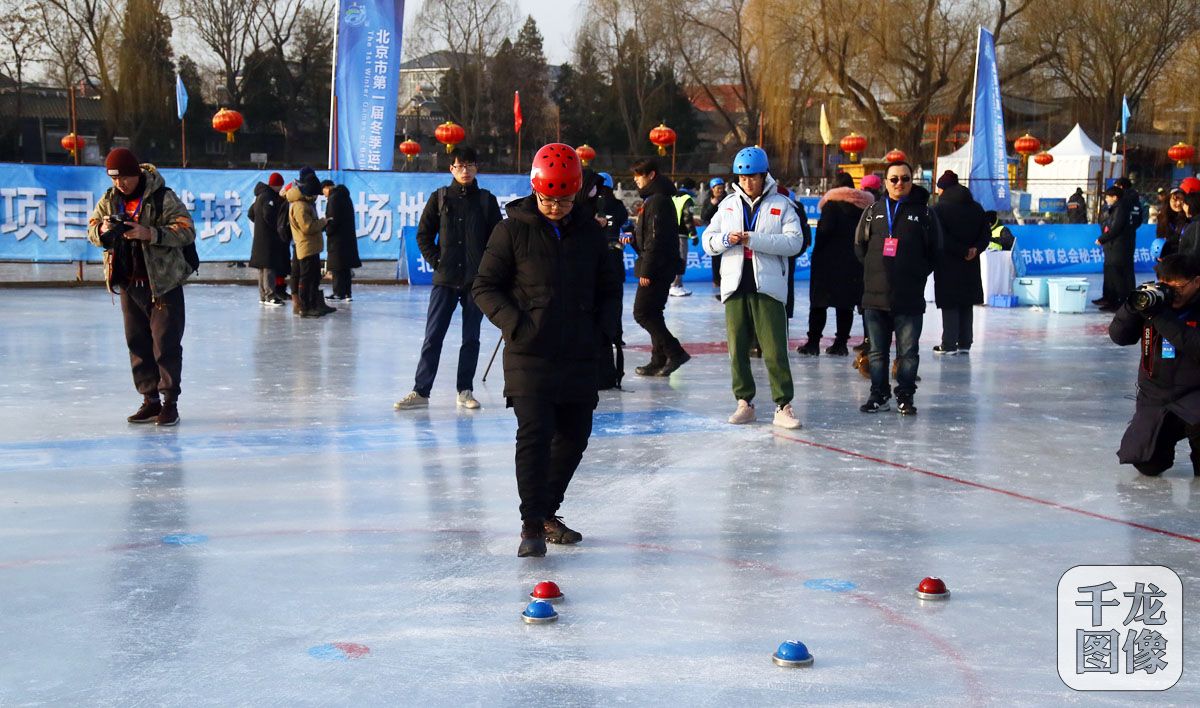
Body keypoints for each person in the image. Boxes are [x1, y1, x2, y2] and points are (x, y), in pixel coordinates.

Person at [472, 143, 624, 557]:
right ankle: (531, 526)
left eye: (563, 200)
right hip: (529, 354)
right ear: (535, 191)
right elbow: (484, 287)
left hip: (579, 352)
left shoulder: (591, 234)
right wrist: (517, 324)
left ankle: (545, 511)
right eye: (547, 199)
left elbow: (610, 287)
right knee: (535, 434)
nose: (555, 207)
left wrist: (604, 330)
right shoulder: (511, 230)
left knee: (574, 437)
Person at [87, 147, 196, 426]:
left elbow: (186, 229)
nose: (119, 184)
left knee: (165, 344)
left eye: (124, 177)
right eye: (113, 178)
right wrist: (103, 230)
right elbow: (91, 229)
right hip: (128, 283)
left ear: (136, 173)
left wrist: (150, 233)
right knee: (137, 344)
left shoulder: (162, 196)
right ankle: (150, 400)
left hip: (163, 284)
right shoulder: (110, 200)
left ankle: (169, 402)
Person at [701, 146, 804, 430]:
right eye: (742, 178)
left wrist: (753, 239)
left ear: (763, 175)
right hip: (735, 285)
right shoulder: (728, 205)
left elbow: (794, 243)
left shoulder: (782, 204)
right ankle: (744, 402)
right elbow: (707, 240)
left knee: (774, 349)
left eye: (753, 177)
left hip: (768, 286)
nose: (747, 182)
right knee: (737, 348)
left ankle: (783, 404)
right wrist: (725, 240)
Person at [396, 145, 503, 411]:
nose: (465, 170)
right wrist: (437, 261)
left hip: (475, 282)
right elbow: (423, 235)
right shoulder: (440, 198)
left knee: (471, 337)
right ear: (451, 168)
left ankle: (465, 390)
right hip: (445, 280)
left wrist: (488, 270)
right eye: (460, 165)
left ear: (477, 167)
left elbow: (500, 241)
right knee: (433, 336)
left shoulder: (486, 201)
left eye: (470, 165)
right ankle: (421, 391)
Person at [853, 161, 942, 415]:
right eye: (894, 179)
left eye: (904, 178)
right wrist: (876, 272)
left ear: (912, 180)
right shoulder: (872, 211)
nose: (899, 183)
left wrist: (914, 273)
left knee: (908, 354)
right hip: (875, 296)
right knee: (878, 353)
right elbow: (860, 247)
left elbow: (936, 251)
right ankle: (879, 396)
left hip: (909, 297)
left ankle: (905, 396)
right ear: (885, 182)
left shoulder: (925, 214)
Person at [1109, 254, 1200, 476]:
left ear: (1197, 281)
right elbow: (1119, 337)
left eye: (1178, 286)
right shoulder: (1154, 302)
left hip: (1194, 393)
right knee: (1148, 465)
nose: (1172, 292)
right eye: (1166, 286)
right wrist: (1132, 307)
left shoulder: (1162, 312)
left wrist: (1160, 316)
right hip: (1156, 396)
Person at [799, 171, 872, 357]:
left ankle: (813, 342)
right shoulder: (864, 208)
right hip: (853, 262)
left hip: (827, 261)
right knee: (845, 304)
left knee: (819, 303)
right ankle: (840, 344)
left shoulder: (831, 205)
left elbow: (824, 232)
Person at [630, 158, 690, 376]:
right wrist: (634, 239)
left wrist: (647, 270)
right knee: (653, 312)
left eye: (639, 174)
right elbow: (650, 238)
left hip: (658, 267)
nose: (636, 179)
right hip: (660, 265)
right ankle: (658, 358)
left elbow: (656, 240)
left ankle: (675, 352)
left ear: (651, 175)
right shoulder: (655, 199)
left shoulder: (657, 201)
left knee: (643, 313)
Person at [931, 170, 990, 355]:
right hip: (970, 265)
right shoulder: (977, 208)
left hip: (948, 263)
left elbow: (941, 237)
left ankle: (948, 344)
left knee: (950, 303)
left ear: (943, 189)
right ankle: (965, 343)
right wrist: (974, 249)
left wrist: (961, 250)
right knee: (966, 302)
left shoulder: (939, 210)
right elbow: (985, 235)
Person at [287, 167, 333, 318]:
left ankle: (314, 303)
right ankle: (305, 306)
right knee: (306, 278)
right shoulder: (300, 206)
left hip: (311, 246)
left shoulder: (305, 203)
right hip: (305, 247)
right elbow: (307, 227)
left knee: (313, 277)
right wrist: (323, 222)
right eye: (314, 194)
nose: (316, 197)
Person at [247, 172, 289, 306]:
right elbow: (268, 215)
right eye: (280, 185)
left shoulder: (260, 196)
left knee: (262, 267)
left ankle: (263, 295)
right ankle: (270, 295)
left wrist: (259, 224)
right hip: (268, 238)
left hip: (261, 237)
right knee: (269, 266)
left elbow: (251, 213)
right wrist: (277, 227)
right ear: (276, 185)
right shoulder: (268, 197)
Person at [1095, 184, 1136, 312]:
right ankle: (1112, 300)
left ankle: (1122, 302)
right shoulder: (1114, 208)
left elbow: (1116, 228)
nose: (1106, 199)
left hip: (1119, 246)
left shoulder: (1121, 209)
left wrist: (1102, 238)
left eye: (1108, 197)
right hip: (1112, 245)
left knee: (1118, 275)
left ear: (1115, 197)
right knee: (1111, 274)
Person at [321, 179, 362, 301]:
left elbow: (332, 219)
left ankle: (338, 292)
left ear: (327, 187)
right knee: (345, 267)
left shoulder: (334, 199)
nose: (324, 194)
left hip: (337, 239)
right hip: (347, 237)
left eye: (323, 191)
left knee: (337, 267)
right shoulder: (345, 196)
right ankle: (347, 293)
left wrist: (327, 230)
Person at [669, 179, 698, 297]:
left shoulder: (673, 197)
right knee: (681, 259)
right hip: (681, 234)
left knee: (673, 259)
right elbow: (687, 218)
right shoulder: (687, 199)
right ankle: (675, 285)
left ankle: (677, 285)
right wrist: (694, 234)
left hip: (670, 233)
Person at [702, 177, 727, 296]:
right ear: (712, 189)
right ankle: (717, 281)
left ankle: (728, 280)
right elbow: (704, 217)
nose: (720, 190)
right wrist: (712, 205)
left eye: (722, 188)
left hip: (727, 232)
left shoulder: (729, 199)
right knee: (716, 258)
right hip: (715, 234)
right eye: (718, 188)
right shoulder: (708, 201)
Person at [1157, 188, 1187, 259]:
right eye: (1175, 199)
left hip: (1184, 257)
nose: (1179, 203)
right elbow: (1159, 238)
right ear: (1168, 201)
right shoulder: (1162, 217)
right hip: (1168, 257)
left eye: (1182, 200)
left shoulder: (1188, 217)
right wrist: (1159, 255)